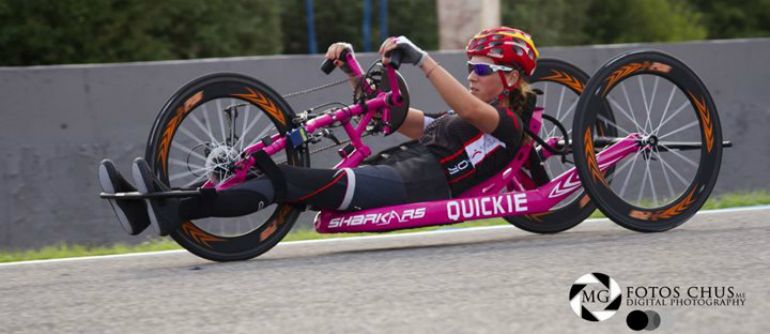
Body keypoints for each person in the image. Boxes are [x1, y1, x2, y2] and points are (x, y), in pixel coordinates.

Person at [99, 27, 540, 236]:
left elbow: (467, 106)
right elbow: (401, 119)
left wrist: (421, 58)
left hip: (408, 186)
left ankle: (173, 211)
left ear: (507, 79)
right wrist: (353, 71)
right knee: (272, 174)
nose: (471, 75)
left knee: (285, 180)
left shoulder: (507, 125)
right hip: (395, 172)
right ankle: (149, 205)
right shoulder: (464, 122)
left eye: (480, 69)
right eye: (468, 68)